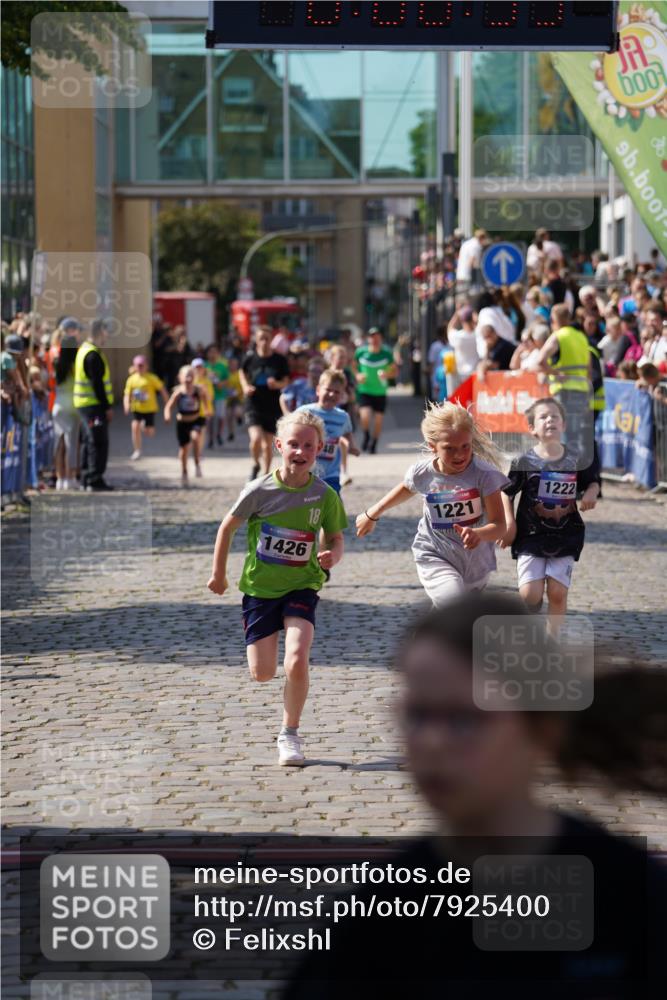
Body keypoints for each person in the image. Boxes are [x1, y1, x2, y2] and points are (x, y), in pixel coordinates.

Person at [283, 591, 667, 1000]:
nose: (432, 742)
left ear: (543, 726)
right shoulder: (379, 918)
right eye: (418, 715)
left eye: (464, 719)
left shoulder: (629, 896)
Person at [207, 409, 347, 766]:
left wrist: (332, 554)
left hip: (303, 585)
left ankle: (290, 734)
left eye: (309, 446)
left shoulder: (324, 494)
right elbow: (227, 528)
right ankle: (275, 689)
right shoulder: (259, 490)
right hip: (261, 589)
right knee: (263, 673)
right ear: (279, 446)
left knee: (297, 659)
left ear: (320, 449)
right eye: (294, 444)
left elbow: (335, 536)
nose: (301, 452)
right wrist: (219, 575)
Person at [356, 402, 508, 606]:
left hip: (475, 563)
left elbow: (500, 525)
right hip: (434, 554)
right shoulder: (423, 473)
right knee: (453, 601)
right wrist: (373, 513)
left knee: (460, 615)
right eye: (449, 448)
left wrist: (478, 534)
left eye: (465, 446)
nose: (459, 455)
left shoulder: (485, 475)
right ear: (432, 446)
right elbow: (407, 488)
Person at [499, 397, 600, 627]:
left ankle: (551, 639)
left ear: (563, 424)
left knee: (557, 593)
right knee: (529, 595)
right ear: (532, 428)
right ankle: (533, 605)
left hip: (566, 534)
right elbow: (507, 492)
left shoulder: (576, 458)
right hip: (530, 535)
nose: (549, 420)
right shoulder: (523, 461)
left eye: (555, 416)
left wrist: (591, 493)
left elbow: (592, 482)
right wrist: (509, 523)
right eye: (543, 417)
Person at [535, 302, 592, 464]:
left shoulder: (558, 336)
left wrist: (555, 373)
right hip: (582, 391)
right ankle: (575, 471)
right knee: (575, 435)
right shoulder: (581, 337)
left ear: (554, 319)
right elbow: (589, 369)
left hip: (564, 392)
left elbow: (540, 361)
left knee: (563, 433)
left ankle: (565, 470)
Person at [298, 369, 360, 495]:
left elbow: (347, 431)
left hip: (331, 473)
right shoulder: (305, 412)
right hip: (306, 471)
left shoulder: (343, 417)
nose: (332, 394)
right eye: (328, 390)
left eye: (337, 392)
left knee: (332, 501)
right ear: (318, 390)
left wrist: (352, 446)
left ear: (342, 395)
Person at [240, 325, 290, 481]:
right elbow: (242, 372)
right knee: (255, 438)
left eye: (267, 338)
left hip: (272, 404)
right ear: (256, 340)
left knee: (267, 444)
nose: (264, 342)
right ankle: (256, 463)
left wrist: (277, 384)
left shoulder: (279, 360)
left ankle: (265, 475)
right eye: (261, 338)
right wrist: (245, 386)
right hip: (253, 403)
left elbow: (286, 381)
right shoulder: (250, 358)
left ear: (271, 340)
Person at [73, 319, 114, 492]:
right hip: (93, 406)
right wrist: (107, 407)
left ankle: (86, 477)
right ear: (99, 331)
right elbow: (97, 384)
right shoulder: (92, 354)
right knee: (97, 441)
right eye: (106, 331)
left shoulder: (85, 350)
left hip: (86, 405)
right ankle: (94, 478)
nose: (108, 335)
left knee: (87, 441)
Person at [354, 327, 396, 454]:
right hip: (365, 390)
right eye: (372, 337)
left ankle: (374, 443)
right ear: (368, 339)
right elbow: (353, 366)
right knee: (365, 416)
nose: (374, 339)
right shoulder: (361, 352)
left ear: (381, 338)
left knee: (378, 420)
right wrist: (357, 375)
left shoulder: (386, 353)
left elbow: (395, 371)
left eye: (377, 337)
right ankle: (366, 434)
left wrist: (386, 375)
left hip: (380, 392)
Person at [163, 365, 204, 487]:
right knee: (184, 449)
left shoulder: (198, 390)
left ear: (195, 377)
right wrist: (167, 416)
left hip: (196, 420)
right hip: (182, 422)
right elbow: (168, 406)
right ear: (180, 378)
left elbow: (206, 400)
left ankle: (197, 464)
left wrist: (207, 409)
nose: (188, 378)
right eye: (186, 376)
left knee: (196, 438)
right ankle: (184, 471)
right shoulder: (178, 393)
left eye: (191, 375)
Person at [123, 355, 168, 461]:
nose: (140, 367)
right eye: (138, 366)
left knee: (150, 432)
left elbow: (162, 389)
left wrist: (167, 402)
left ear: (147, 366)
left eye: (142, 365)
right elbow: (127, 394)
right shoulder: (131, 379)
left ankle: (145, 426)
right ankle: (137, 450)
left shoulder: (151, 378)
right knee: (135, 426)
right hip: (137, 408)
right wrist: (126, 405)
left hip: (149, 409)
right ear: (134, 366)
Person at [52, 333, 80, 490]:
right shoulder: (76, 365)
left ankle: (59, 478)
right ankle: (70, 477)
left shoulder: (57, 363)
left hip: (58, 405)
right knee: (71, 444)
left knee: (59, 443)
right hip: (72, 406)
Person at [191, 358, 214, 475]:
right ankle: (196, 453)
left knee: (201, 435)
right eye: (196, 367)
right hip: (191, 412)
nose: (198, 369)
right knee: (194, 435)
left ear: (204, 369)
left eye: (200, 367)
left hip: (203, 412)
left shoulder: (207, 382)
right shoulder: (190, 381)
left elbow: (210, 398)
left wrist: (204, 391)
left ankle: (199, 454)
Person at [204, 343, 229, 448]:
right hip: (207, 396)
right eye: (210, 352)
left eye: (215, 352)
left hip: (220, 395)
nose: (212, 354)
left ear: (218, 354)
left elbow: (227, 380)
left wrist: (221, 384)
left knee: (220, 417)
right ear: (207, 354)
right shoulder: (204, 366)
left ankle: (219, 434)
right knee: (209, 418)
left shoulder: (222, 366)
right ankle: (210, 438)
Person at [225, 357, 244, 440]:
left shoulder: (240, 374)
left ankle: (239, 418)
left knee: (237, 411)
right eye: (231, 364)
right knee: (229, 416)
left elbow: (243, 385)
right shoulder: (226, 374)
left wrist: (238, 392)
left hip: (238, 397)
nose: (233, 366)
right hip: (228, 397)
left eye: (235, 364)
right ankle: (231, 433)